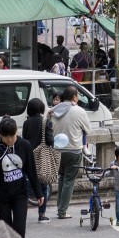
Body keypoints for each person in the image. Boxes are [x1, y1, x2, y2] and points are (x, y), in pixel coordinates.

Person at [0, 116, 44, 238]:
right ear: (0, 135)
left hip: (20, 195)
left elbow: (31, 170)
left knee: (20, 230)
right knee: (7, 230)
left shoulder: (25, 146)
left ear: (17, 131)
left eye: (12, 135)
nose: (10, 139)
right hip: (1, 196)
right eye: (6, 137)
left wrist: (38, 193)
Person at [51, 85, 92, 219]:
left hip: (56, 150)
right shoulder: (79, 111)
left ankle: (60, 208)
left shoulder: (54, 110)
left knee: (62, 178)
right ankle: (62, 211)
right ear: (74, 97)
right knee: (68, 180)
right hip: (73, 150)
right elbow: (88, 129)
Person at [21, 98, 53, 223]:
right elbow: (50, 140)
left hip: (28, 157)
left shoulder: (26, 123)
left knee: (26, 186)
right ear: (41, 108)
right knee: (43, 187)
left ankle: (21, 212)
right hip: (42, 158)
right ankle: (42, 214)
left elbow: (24, 139)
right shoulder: (46, 122)